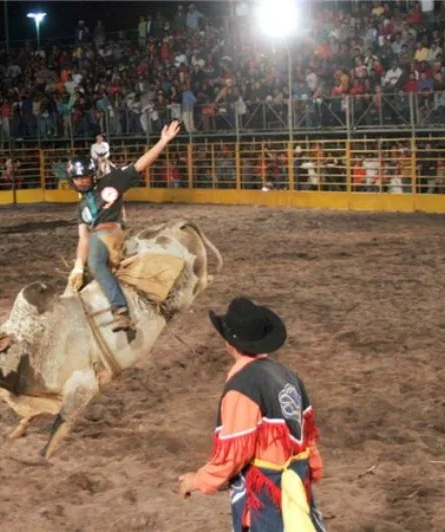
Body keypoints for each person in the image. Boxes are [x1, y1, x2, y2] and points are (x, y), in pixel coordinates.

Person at [177, 297, 325, 531]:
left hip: (265, 496)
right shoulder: (288, 375)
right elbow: (308, 436)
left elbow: (235, 453)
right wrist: (313, 469)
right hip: (295, 486)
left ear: (229, 343)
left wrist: (197, 480)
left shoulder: (243, 387)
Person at [66, 120, 181, 332]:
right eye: (77, 178)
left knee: (96, 262)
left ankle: (120, 310)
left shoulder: (111, 181)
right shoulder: (81, 206)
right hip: (95, 237)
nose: (81, 181)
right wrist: (77, 267)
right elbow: (82, 238)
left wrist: (163, 142)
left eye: (84, 177)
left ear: (93, 175)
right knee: (83, 271)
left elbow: (140, 164)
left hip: (109, 232)